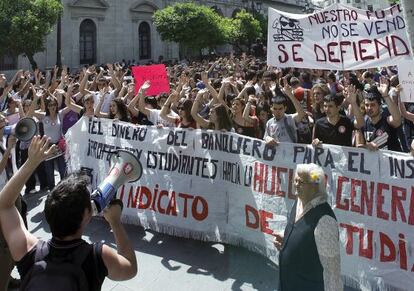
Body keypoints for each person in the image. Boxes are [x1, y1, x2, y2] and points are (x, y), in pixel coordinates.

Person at [0, 136, 137, 291]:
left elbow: (4, 205)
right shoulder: (98, 256)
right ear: (86, 216)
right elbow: (130, 268)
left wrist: (31, 162)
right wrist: (115, 222)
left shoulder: (28, 249)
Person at [273, 163, 342, 291]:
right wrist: (286, 240)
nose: (296, 185)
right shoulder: (299, 202)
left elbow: (332, 272)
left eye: (301, 182)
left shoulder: (325, 221)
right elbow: (304, 235)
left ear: (315, 186)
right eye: (295, 180)